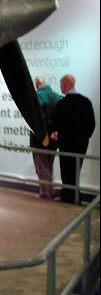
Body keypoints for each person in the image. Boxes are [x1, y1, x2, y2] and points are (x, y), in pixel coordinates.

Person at [50, 74, 96, 203]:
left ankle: (68, 196)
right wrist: (85, 138)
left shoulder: (62, 103)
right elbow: (91, 123)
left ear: (65, 85)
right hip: (81, 144)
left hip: (66, 143)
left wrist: (57, 135)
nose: (60, 87)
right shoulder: (85, 102)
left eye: (61, 84)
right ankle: (75, 196)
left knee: (66, 170)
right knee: (76, 170)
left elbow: (56, 123)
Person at [30, 74, 61, 199]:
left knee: (42, 167)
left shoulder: (39, 96)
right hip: (54, 138)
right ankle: (49, 190)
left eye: (36, 82)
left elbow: (37, 118)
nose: (35, 84)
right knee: (49, 165)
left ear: (39, 83)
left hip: (40, 138)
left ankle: (46, 192)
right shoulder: (58, 97)